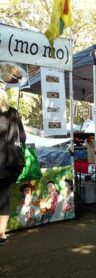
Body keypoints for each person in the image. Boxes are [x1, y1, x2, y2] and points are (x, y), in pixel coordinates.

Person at [0, 83, 26, 245]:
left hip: (4, 162)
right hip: (12, 163)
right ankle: (1, 234)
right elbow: (23, 138)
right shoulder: (13, 113)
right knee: (4, 198)